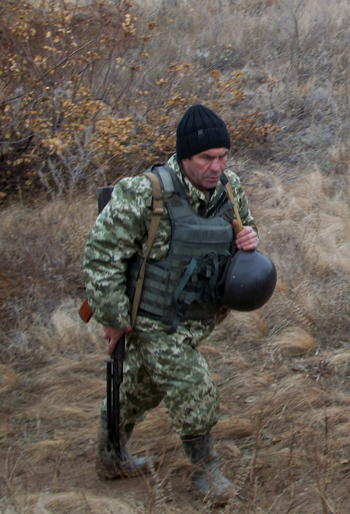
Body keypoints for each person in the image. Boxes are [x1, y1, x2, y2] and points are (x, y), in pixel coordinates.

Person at [83, 104, 259, 505]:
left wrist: (249, 240)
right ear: (184, 156)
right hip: (151, 317)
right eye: (206, 158)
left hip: (195, 318)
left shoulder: (230, 189)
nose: (216, 166)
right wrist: (112, 319)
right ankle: (205, 472)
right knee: (191, 386)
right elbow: (101, 253)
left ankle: (111, 456)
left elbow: (243, 232)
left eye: (222, 157)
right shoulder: (146, 192)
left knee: (139, 389)